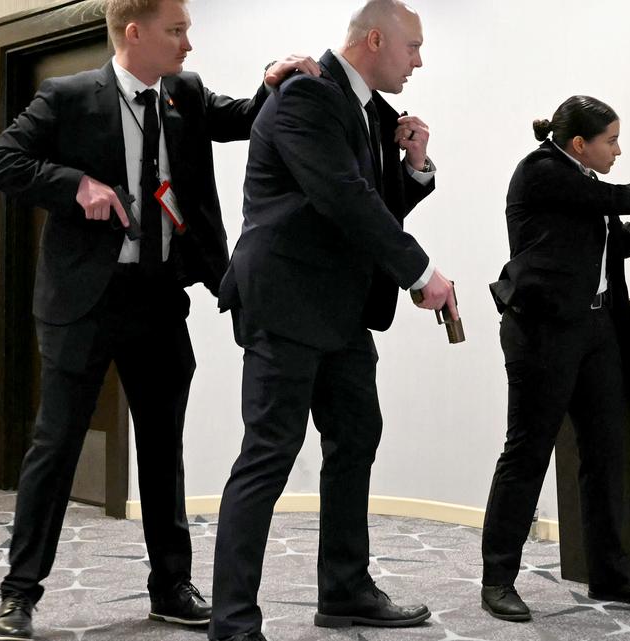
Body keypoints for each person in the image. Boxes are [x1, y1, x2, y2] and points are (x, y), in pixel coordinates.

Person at [0, 1, 319, 639]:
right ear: (134, 33)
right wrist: (74, 184)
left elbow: (241, 118)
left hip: (159, 297)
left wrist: (270, 81)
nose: (189, 43)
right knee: (55, 447)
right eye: (177, 31)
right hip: (83, 304)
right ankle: (19, 591)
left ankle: (170, 586)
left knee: (163, 449)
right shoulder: (67, 96)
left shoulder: (182, 92)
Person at [207, 2, 457, 640]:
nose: (419, 61)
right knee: (269, 455)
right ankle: (233, 622)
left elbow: (373, 204)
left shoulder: (371, 111)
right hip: (287, 303)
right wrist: (421, 274)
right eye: (413, 47)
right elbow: (341, 197)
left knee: (356, 439)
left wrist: (414, 169)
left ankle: (344, 590)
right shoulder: (306, 96)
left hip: (342, 312)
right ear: (375, 39)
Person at [480, 95, 630, 621]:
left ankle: (610, 573)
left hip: (594, 329)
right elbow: (618, 197)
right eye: (610, 140)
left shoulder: (585, 186)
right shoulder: (542, 171)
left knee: (606, 454)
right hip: (542, 331)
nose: (618, 149)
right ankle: (497, 580)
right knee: (526, 455)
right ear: (579, 144)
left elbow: (622, 243)